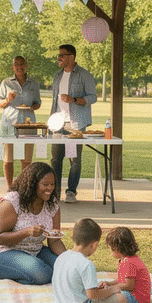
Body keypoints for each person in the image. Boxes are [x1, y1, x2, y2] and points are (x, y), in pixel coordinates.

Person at [0, 162, 66, 285]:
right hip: (2, 252)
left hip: (35, 251)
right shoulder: (12, 202)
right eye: (45, 184)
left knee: (64, 268)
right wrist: (27, 232)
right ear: (32, 185)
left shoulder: (52, 204)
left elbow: (55, 240)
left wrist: (69, 258)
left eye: (52, 184)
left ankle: (24, 272)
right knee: (42, 273)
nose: (50, 188)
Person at [51, 218, 131, 303]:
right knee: (122, 298)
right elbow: (92, 294)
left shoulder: (61, 257)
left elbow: (74, 286)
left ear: (72, 237)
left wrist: (98, 288)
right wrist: (112, 290)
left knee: (109, 297)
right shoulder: (86, 264)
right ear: (95, 244)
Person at [50, 44, 97, 203]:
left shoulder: (85, 75)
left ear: (72, 57)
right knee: (56, 159)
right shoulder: (57, 75)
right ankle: (54, 193)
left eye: (62, 55)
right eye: (59, 55)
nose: (59, 58)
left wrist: (74, 100)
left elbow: (93, 97)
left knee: (74, 160)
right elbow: (54, 101)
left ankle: (71, 192)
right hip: (58, 123)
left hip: (76, 124)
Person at [0, 55, 42, 188]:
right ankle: (10, 187)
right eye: (16, 64)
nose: (19, 66)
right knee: (8, 159)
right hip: (9, 124)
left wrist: (34, 107)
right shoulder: (6, 83)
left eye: (22, 64)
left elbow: (38, 103)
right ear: (13, 67)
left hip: (28, 125)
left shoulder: (33, 84)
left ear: (26, 65)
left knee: (26, 159)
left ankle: (23, 187)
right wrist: (7, 100)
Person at [100, 227, 151, 303]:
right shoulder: (125, 260)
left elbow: (129, 286)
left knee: (111, 296)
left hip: (138, 298)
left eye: (111, 249)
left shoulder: (129, 262)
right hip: (133, 295)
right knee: (109, 294)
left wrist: (111, 288)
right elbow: (122, 280)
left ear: (117, 249)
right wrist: (109, 283)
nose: (110, 252)